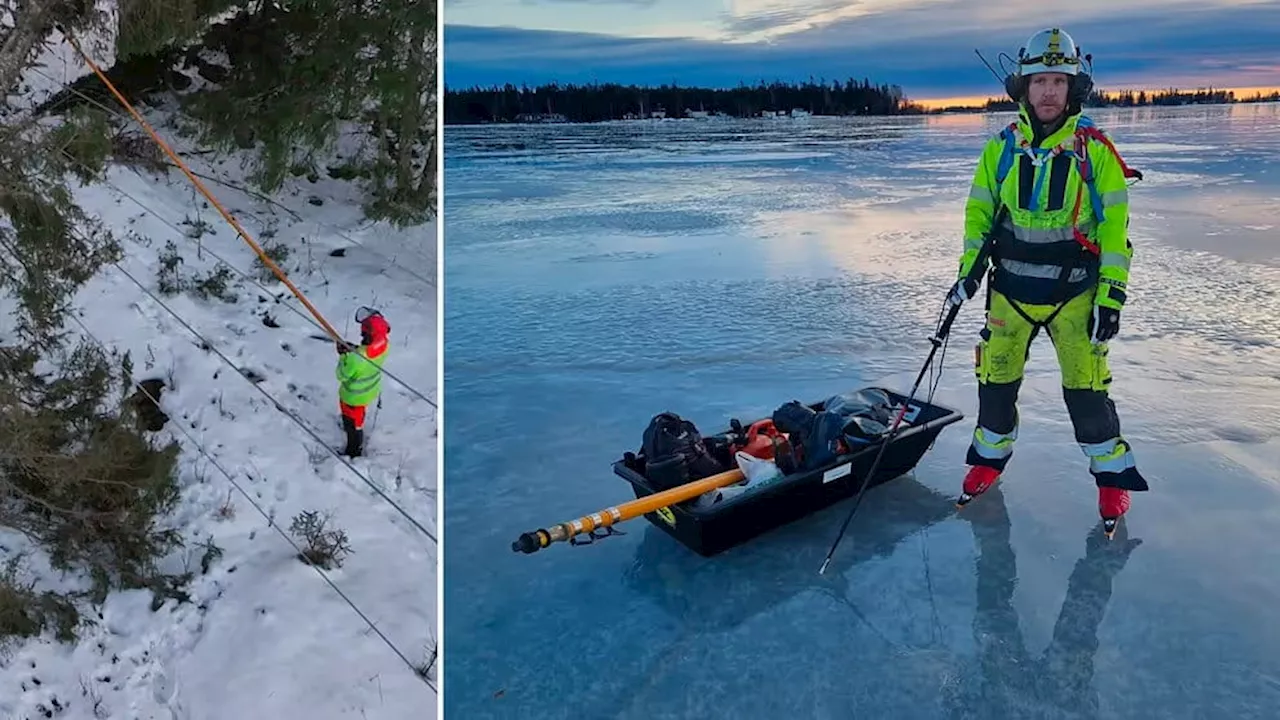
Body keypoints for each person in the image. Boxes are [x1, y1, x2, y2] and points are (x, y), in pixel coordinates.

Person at [947, 28, 1148, 536]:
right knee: (995, 386)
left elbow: (1116, 233)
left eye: (1060, 81)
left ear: (1075, 87)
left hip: (1074, 296)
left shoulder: (1096, 151)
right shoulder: (1000, 148)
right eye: (1040, 81)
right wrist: (967, 273)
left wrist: (1111, 297)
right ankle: (988, 463)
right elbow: (979, 215)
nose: (1049, 92)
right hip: (1009, 294)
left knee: (1087, 393)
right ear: (1024, 87)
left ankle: (1110, 481)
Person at [336, 308, 391, 457]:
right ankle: (357, 428)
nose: (361, 335)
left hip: (352, 397)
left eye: (363, 333)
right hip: (369, 392)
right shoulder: (385, 345)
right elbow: (366, 353)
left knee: (352, 424)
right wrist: (354, 350)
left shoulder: (357, 358)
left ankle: (353, 451)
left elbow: (341, 375)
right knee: (358, 417)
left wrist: (344, 356)